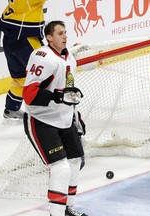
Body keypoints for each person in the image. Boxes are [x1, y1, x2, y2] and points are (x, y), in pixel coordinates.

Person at [22, 21, 88, 216]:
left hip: (65, 119)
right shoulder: (43, 58)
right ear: (49, 37)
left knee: (76, 160)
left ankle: (68, 208)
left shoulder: (69, 58)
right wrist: (57, 96)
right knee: (60, 168)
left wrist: (76, 116)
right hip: (41, 121)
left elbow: (69, 93)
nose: (65, 36)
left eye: (65, 32)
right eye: (60, 33)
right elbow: (29, 95)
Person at [0, 0, 45, 123]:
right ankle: (47, 114)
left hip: (10, 37)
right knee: (45, 74)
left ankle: (11, 110)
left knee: (21, 77)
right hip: (25, 38)